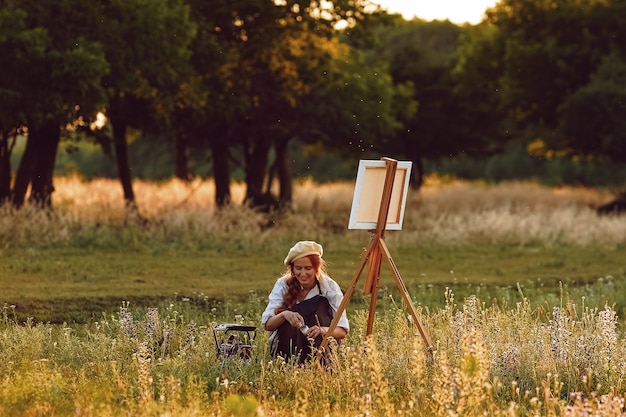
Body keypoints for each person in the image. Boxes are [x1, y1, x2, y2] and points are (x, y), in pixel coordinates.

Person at [262, 240, 349, 363]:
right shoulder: (283, 285)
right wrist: (284, 315)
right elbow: (268, 325)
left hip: (320, 348)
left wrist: (321, 329)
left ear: (316, 268)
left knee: (321, 304)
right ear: (292, 269)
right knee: (287, 317)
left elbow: (342, 331)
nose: (303, 274)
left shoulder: (329, 287)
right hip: (287, 349)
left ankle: (322, 365)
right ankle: (290, 366)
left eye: (308, 268)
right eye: (298, 268)